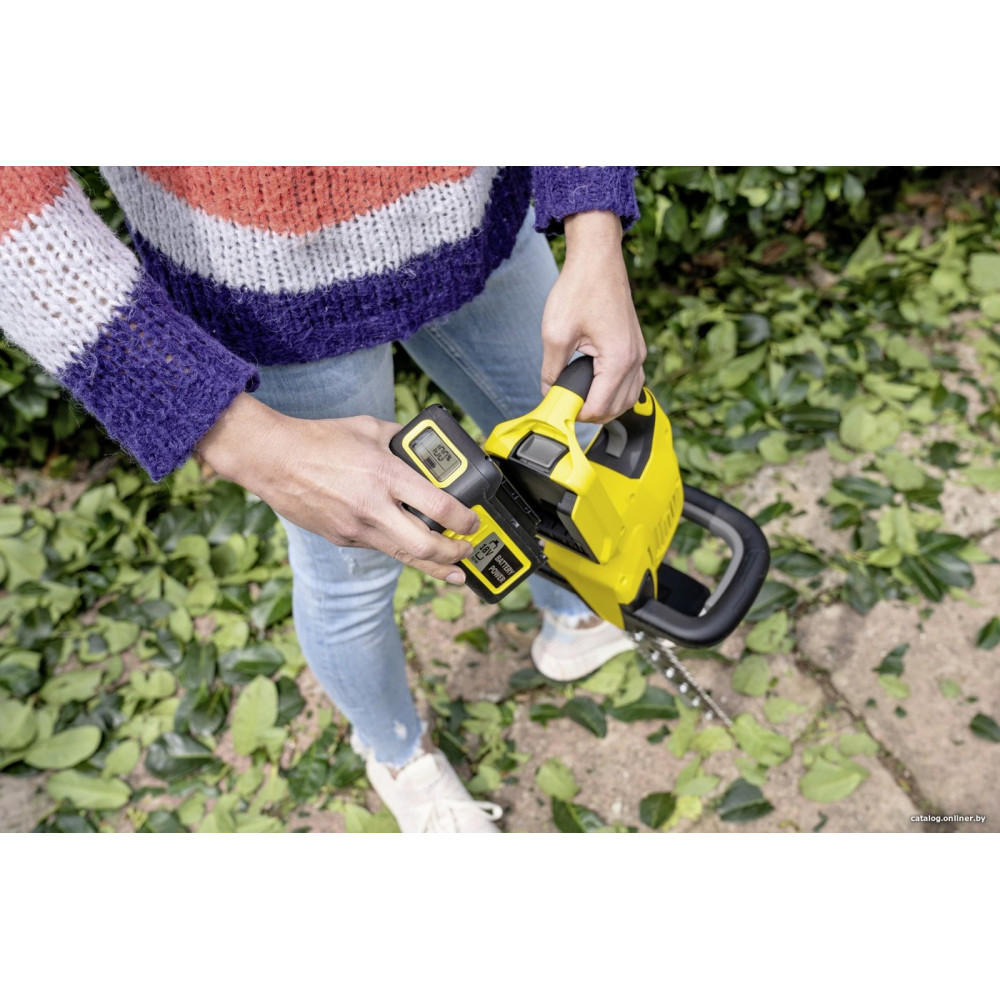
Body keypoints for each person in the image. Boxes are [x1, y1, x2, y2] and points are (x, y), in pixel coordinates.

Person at [0, 166, 646, 832]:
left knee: (568, 451)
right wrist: (238, 437)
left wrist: (594, 228)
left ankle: (574, 615)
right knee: (354, 569)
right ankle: (397, 752)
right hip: (266, 296)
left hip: (482, 220)